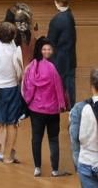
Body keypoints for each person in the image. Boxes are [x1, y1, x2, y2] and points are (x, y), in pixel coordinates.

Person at [23, 36, 69, 177]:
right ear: (40, 50)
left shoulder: (31, 67)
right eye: (44, 49)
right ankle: (55, 170)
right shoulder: (53, 68)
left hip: (36, 110)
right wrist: (63, 105)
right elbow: (60, 89)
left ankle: (37, 168)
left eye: (49, 49)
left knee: (36, 138)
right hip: (52, 110)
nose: (47, 51)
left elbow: (28, 88)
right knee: (53, 139)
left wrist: (28, 103)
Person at [0, 21, 25, 164]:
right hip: (11, 89)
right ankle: (7, 156)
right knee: (11, 123)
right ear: (13, 36)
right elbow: (19, 72)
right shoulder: (16, 50)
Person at [48, 0, 77, 106]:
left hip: (59, 58)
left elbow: (51, 41)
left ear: (58, 3)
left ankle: (58, 105)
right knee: (70, 85)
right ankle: (71, 107)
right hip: (70, 57)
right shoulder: (70, 15)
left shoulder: (57, 19)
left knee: (57, 83)